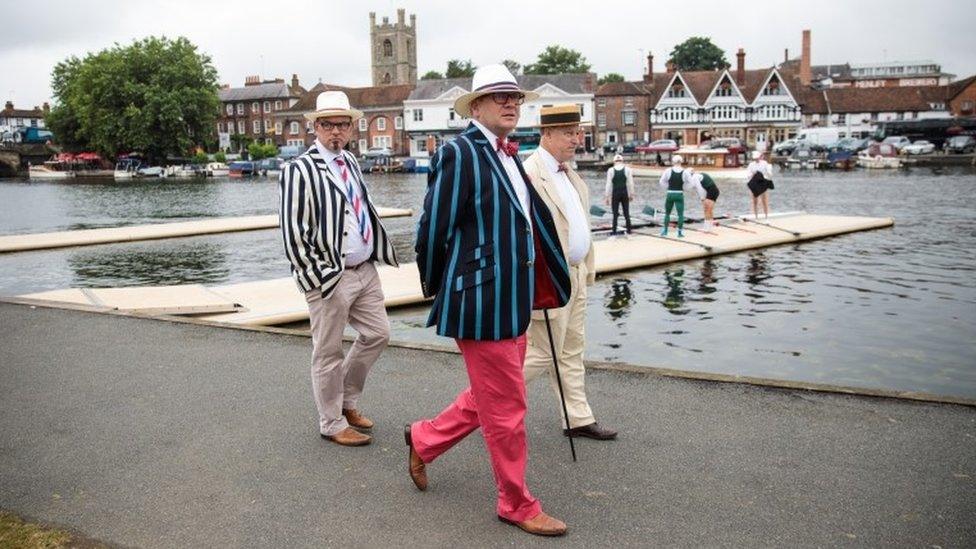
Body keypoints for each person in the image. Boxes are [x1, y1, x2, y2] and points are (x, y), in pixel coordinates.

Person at [408, 65, 572, 537]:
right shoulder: (460, 152)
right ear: (475, 106)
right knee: (507, 408)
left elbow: (521, 223)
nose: (509, 104)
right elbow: (433, 227)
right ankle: (516, 503)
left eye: (515, 98)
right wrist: (442, 288)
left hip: (515, 297)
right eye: (498, 97)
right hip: (480, 300)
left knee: (496, 397)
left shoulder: (509, 154)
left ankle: (424, 439)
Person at [278, 91, 399, 447]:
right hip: (331, 275)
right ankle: (331, 422)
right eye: (328, 124)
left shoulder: (351, 161)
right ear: (314, 127)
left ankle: (346, 400)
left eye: (342, 124)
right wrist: (316, 277)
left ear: (351, 128)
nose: (335, 131)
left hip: (364, 269)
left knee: (378, 334)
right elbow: (293, 231)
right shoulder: (299, 170)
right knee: (327, 352)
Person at [522, 106, 617, 441]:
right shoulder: (529, 174)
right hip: (550, 281)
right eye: (568, 133)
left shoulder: (570, 174)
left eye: (577, 132)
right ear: (545, 134)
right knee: (543, 352)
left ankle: (577, 418)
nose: (577, 140)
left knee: (573, 349)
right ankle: (484, 405)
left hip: (575, 275)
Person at [657, 154, 695, 237]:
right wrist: (685, 188)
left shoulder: (668, 171)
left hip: (670, 194)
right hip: (679, 194)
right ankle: (680, 233)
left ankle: (665, 231)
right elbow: (692, 183)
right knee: (680, 214)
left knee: (667, 213)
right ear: (681, 162)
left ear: (673, 162)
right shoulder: (685, 172)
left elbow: (661, 181)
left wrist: (667, 187)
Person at [604, 154, 634, 237]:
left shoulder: (611, 170)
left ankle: (614, 233)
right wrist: (631, 194)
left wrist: (607, 197)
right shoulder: (627, 169)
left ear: (614, 162)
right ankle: (629, 232)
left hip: (615, 193)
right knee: (626, 213)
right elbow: (631, 183)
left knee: (615, 214)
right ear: (622, 161)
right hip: (624, 192)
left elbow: (608, 184)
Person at [746, 151, 774, 219]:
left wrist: (767, 172)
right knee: (755, 201)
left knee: (764, 201)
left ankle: (766, 217)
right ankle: (756, 217)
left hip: (762, 182)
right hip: (755, 183)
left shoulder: (764, 163)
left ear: (759, 157)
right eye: (755, 158)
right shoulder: (751, 165)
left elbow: (769, 173)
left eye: (757, 158)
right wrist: (753, 174)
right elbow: (748, 175)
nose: (756, 159)